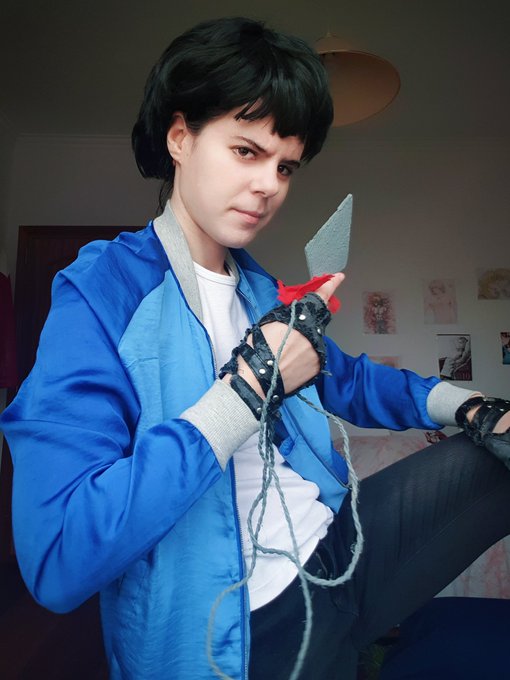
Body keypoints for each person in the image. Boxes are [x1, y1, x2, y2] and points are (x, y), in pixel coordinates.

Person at [1, 17, 510, 680]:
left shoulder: (262, 288)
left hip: (341, 550)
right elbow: (60, 555)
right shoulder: (104, 289)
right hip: (245, 625)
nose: (271, 184)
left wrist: (469, 407)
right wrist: (248, 387)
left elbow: (350, 380)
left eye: (286, 166)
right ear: (180, 137)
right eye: (247, 151)